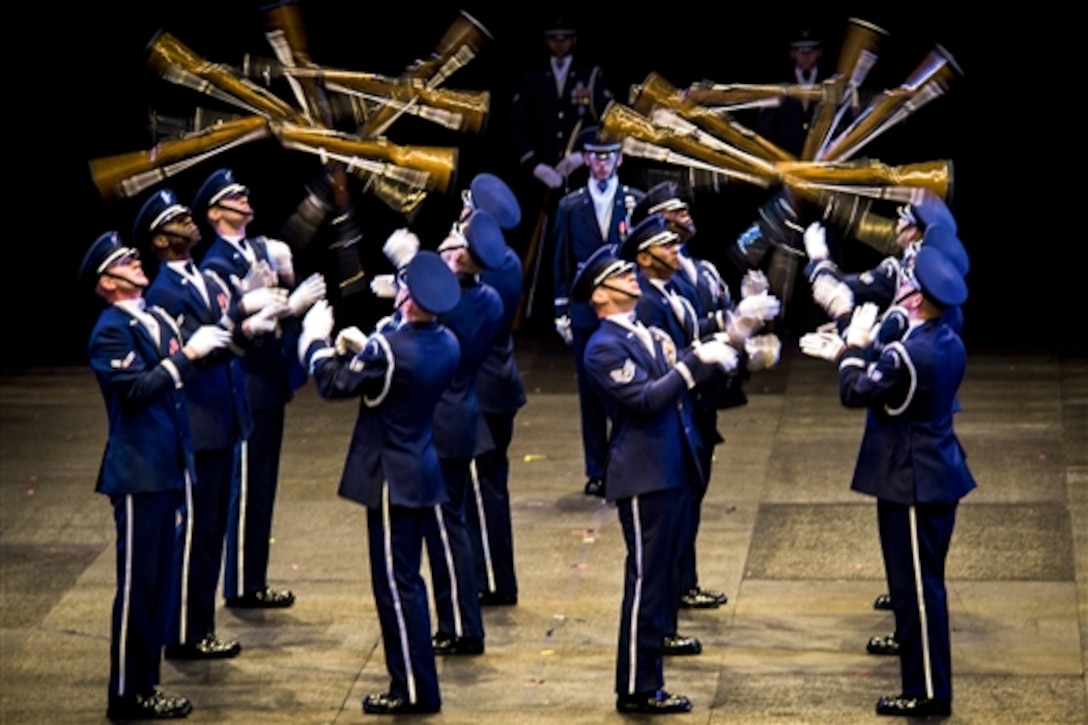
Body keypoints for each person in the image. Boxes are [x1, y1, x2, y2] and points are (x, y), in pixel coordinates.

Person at [800, 246, 974, 718]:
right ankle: (925, 685)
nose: (899, 290)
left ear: (916, 300)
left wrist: (851, 349)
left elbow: (854, 392)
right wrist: (855, 350)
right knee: (922, 587)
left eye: (907, 286)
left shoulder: (905, 355)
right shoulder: (946, 337)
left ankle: (927, 693)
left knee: (916, 593)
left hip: (912, 479)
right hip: (935, 470)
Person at [572, 245, 741, 714]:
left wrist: (708, 352)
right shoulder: (603, 347)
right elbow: (646, 400)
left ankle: (645, 681)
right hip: (644, 473)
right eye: (620, 276)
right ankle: (637, 687)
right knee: (646, 582)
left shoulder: (643, 332)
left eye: (630, 272)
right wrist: (692, 364)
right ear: (600, 297)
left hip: (670, 464)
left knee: (660, 578)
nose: (631, 277)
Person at [300, 252, 461, 716]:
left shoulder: (390, 351)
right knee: (408, 581)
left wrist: (317, 341)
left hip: (392, 473)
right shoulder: (447, 342)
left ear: (408, 298)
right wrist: (376, 337)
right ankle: (417, 682)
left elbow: (333, 384)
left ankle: (411, 688)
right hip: (421, 465)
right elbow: (396, 342)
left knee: (396, 585)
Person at [79, 231, 231, 720]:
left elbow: (197, 354)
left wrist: (246, 323)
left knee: (162, 581)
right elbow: (138, 390)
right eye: (124, 261)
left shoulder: (154, 315)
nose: (136, 261)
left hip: (168, 465)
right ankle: (127, 692)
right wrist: (185, 356)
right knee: (139, 585)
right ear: (107, 282)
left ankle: (147, 684)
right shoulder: (110, 330)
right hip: (138, 471)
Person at [134, 189, 282, 660]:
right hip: (198, 419)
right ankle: (181, 631)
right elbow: (184, 355)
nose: (188, 222)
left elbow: (225, 333)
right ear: (160, 240)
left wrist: (246, 320)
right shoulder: (162, 292)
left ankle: (198, 627)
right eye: (176, 220)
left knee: (212, 529)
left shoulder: (198, 277)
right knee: (195, 531)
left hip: (224, 414)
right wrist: (239, 323)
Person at [194, 168, 326, 610]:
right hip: (246, 382)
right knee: (247, 487)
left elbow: (273, 306)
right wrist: (292, 305)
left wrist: (290, 294)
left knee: (263, 484)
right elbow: (237, 325)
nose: (245, 199)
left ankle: (253, 578)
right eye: (233, 196)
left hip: (269, 379)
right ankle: (241, 583)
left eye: (244, 193)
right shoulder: (215, 263)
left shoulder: (258, 248)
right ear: (216, 213)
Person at [552, 128, 644, 496]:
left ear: (619, 159)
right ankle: (596, 469)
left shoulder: (635, 201)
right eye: (595, 156)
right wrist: (562, 309)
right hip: (586, 307)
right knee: (590, 391)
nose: (602, 163)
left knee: (626, 385)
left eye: (608, 156)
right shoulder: (571, 205)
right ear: (585, 160)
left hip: (624, 307)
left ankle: (626, 462)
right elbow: (560, 259)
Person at [507, 15, 615, 328]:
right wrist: (534, 165)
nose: (559, 44)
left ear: (574, 40)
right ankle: (536, 313)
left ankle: (582, 310)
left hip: (580, 176)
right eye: (553, 38)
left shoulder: (590, 76)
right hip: (543, 177)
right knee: (540, 246)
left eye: (565, 37)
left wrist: (584, 157)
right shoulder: (532, 79)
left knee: (580, 242)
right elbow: (514, 126)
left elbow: (611, 124)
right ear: (545, 41)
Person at [461, 173, 526, 607]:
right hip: (500, 385)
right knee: (491, 486)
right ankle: (498, 576)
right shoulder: (509, 260)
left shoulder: (488, 267)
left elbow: (463, 318)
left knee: (480, 491)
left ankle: (492, 581)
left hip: (478, 391)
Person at [752, 27, 825, 158]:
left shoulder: (830, 82)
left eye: (811, 50)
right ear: (792, 53)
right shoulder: (778, 84)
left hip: (822, 157)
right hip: (786, 157)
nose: (806, 56)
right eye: (800, 50)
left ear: (820, 52)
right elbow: (762, 127)